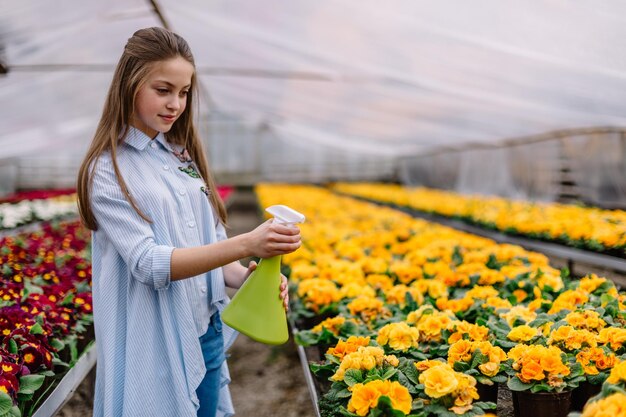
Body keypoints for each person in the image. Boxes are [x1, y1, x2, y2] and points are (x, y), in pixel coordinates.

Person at [76, 27, 301, 417]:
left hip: (206, 332)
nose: (175, 104)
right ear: (130, 84)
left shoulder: (181, 156)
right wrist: (247, 243)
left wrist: (247, 278)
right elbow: (149, 264)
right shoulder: (109, 170)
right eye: (163, 90)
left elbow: (210, 245)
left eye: (183, 92)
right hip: (156, 342)